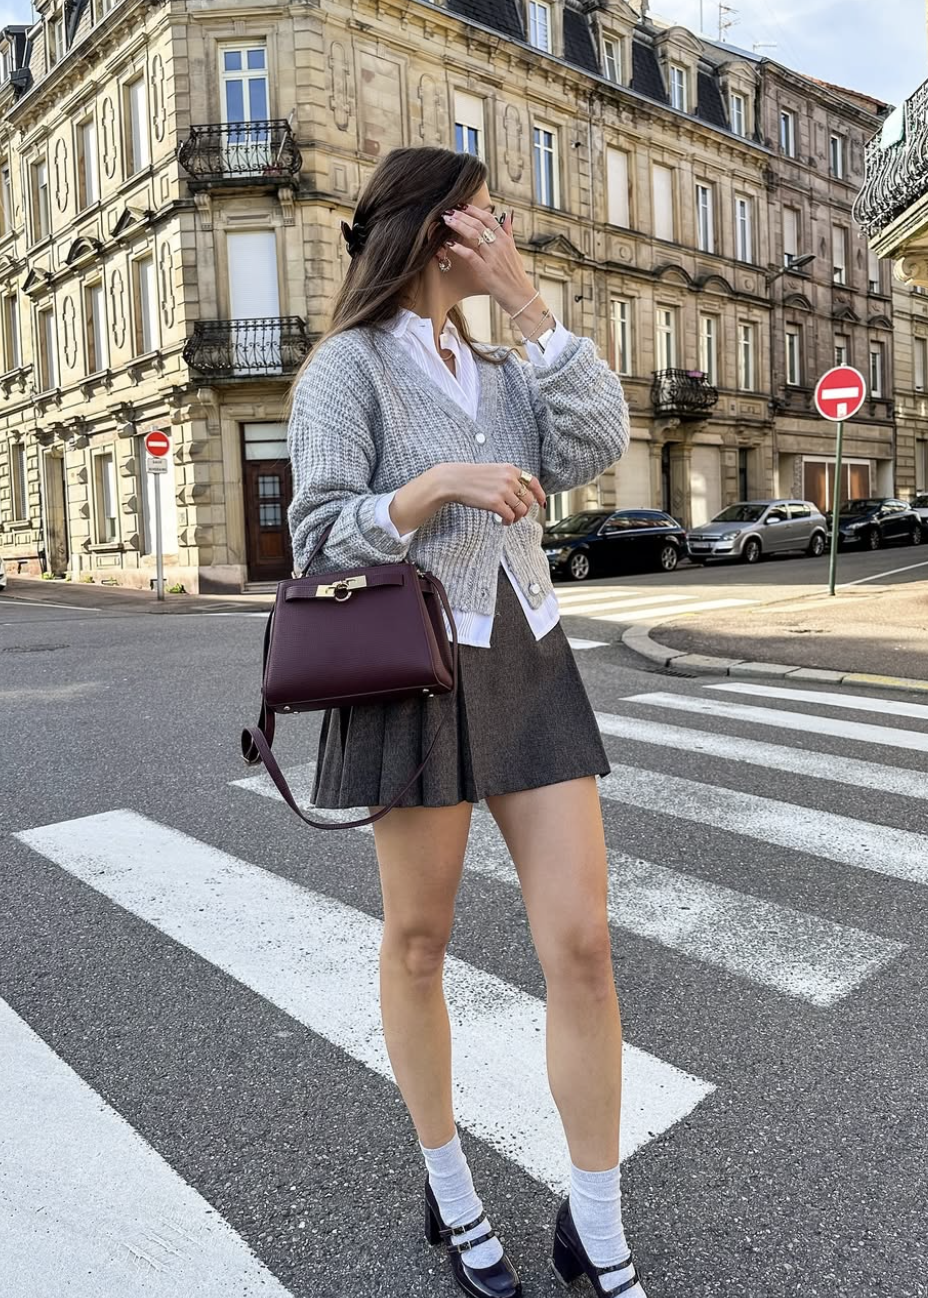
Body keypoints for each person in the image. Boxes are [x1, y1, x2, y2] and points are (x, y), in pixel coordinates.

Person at [286, 145, 645, 1298]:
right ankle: (449, 1187)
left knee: (582, 948)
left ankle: (596, 1226)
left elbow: (595, 444)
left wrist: (533, 306)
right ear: (431, 230)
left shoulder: (502, 365)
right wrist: (438, 484)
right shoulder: (344, 368)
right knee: (419, 943)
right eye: (482, 213)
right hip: (413, 669)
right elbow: (316, 537)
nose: (498, 228)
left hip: (529, 656)